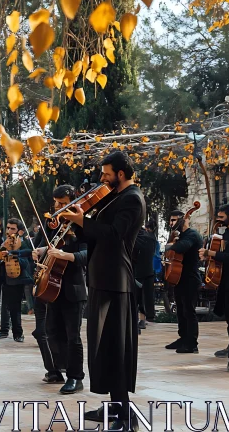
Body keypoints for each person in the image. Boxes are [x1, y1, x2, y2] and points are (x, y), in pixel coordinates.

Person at [63, 151, 145, 430]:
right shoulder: (115, 197)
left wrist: (82, 221)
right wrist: (78, 224)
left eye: (106, 173)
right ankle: (113, 406)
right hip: (102, 277)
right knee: (104, 346)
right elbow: (97, 232)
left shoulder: (132, 199)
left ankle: (125, 415)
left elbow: (113, 234)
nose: (102, 178)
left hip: (116, 280)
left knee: (115, 346)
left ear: (121, 174)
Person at [32, 185, 88, 395]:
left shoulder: (82, 224)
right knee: (52, 331)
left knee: (73, 336)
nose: (58, 207)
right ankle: (60, 368)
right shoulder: (53, 224)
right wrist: (40, 251)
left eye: (64, 203)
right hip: (51, 285)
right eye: (57, 203)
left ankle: (76, 377)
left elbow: (88, 254)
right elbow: (44, 246)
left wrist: (65, 255)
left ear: (74, 202)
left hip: (72, 287)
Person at [198, 203, 229, 365]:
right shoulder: (226, 233)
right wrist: (210, 257)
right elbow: (223, 255)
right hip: (225, 280)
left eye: (221, 217)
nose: (218, 220)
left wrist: (212, 253)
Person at [163, 210, 203, 353]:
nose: (171, 223)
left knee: (189, 311)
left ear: (182, 220)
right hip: (179, 277)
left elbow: (181, 247)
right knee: (181, 310)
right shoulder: (179, 235)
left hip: (190, 278)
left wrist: (170, 245)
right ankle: (183, 338)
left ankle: (192, 343)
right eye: (170, 220)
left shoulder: (191, 235)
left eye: (174, 220)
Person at [0, 219, 33, 342]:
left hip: (18, 277)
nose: (9, 231)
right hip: (4, 277)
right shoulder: (4, 241)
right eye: (8, 228)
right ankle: (4, 330)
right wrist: (0, 253)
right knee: (5, 304)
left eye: (13, 229)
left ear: (19, 231)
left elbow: (27, 262)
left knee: (15, 306)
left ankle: (18, 333)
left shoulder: (24, 243)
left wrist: (13, 256)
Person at [133, 224, 158, 333]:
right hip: (148, 270)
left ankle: (136, 323)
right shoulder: (151, 237)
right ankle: (143, 320)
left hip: (137, 271)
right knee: (144, 297)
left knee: (135, 298)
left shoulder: (135, 236)